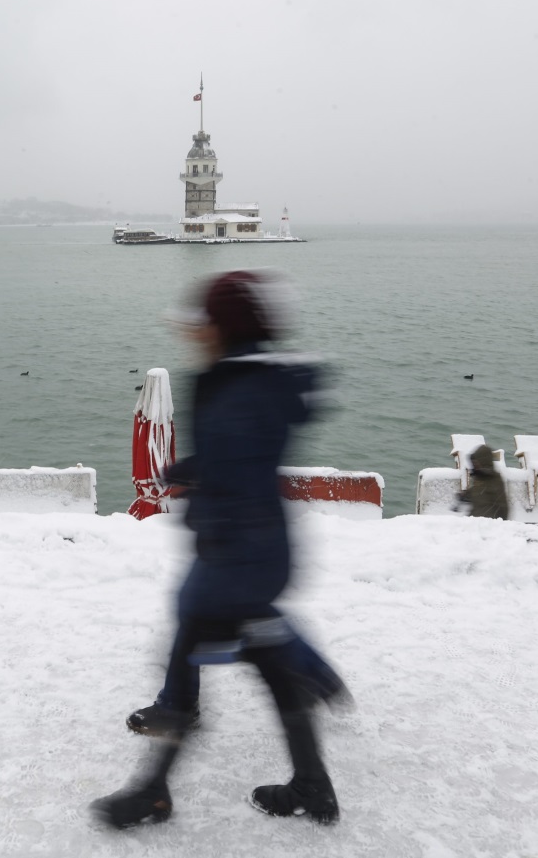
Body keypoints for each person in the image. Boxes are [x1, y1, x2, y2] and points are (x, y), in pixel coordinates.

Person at [91, 270, 344, 829]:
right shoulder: (255, 381)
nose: (195, 331)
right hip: (257, 549)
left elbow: (233, 469)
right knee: (272, 665)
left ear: (223, 326)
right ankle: (312, 782)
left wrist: (194, 482)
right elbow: (241, 459)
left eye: (204, 321)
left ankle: (153, 793)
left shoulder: (236, 389)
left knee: (189, 655)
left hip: (236, 557)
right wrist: (191, 469)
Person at [456, 444, 510, 519]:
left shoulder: (495, 479)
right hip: (474, 519)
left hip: (488, 523)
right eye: (474, 462)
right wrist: (466, 495)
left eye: (476, 462)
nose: (474, 465)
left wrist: (502, 524)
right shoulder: (479, 478)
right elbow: (480, 493)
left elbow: (503, 506)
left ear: (484, 462)